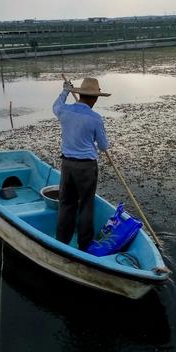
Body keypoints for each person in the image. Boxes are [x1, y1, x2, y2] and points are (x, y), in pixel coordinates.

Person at [53, 77, 111, 251]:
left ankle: (61, 241)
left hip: (67, 165)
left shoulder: (64, 111)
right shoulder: (95, 118)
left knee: (66, 203)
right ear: (95, 98)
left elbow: (55, 105)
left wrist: (65, 91)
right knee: (86, 204)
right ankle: (84, 244)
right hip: (86, 167)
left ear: (80, 94)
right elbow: (102, 146)